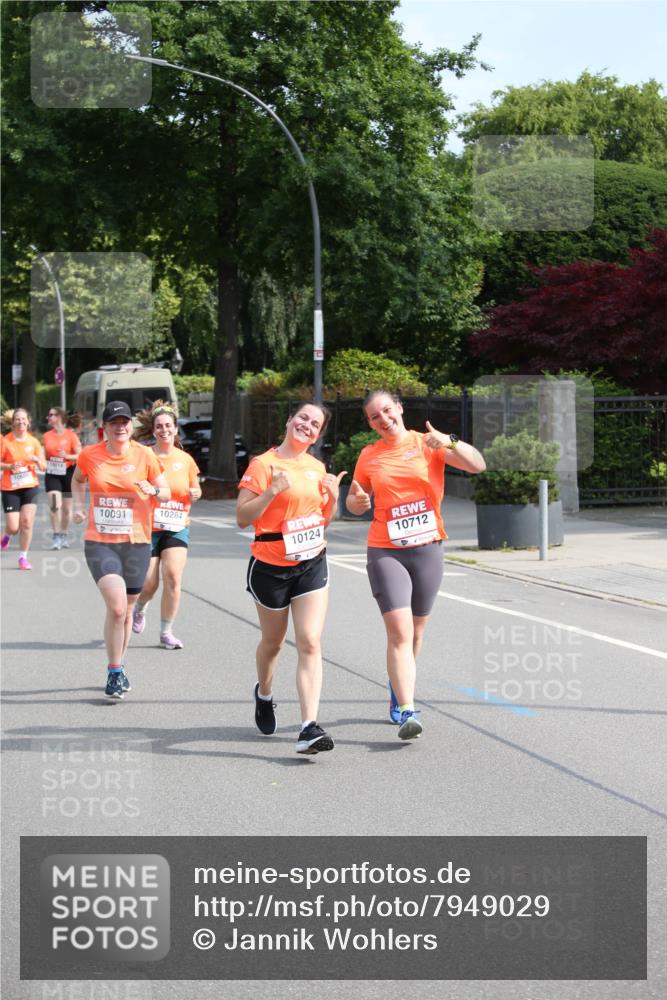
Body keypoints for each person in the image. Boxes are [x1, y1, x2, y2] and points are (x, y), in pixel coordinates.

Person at [346, 390, 486, 741]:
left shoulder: (428, 443)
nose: (383, 419)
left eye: (387, 410)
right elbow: (354, 499)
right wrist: (357, 502)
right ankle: (408, 709)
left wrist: (450, 441)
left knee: (417, 633)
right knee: (400, 631)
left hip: (427, 549)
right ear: (370, 423)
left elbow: (477, 465)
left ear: (399, 408)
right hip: (385, 550)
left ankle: (398, 688)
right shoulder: (369, 455)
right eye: (375, 416)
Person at [236, 402, 345, 755]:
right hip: (269, 566)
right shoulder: (263, 464)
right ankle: (264, 693)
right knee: (273, 642)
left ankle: (308, 726)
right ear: (289, 421)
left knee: (310, 641)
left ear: (318, 435)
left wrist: (334, 499)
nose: (307, 425)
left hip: (311, 562)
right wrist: (272, 491)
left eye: (315, 424)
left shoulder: (316, 467)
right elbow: (242, 517)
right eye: (303, 418)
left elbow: (321, 520)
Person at [71, 400, 170, 700]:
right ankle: (115, 670)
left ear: (130, 425)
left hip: (136, 542)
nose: (120, 427)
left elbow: (165, 492)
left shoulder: (145, 455)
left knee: (126, 611)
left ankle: (119, 666)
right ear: (105, 427)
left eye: (124, 422)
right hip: (100, 543)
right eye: (114, 422)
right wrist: (78, 506)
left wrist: (154, 490)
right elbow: (77, 480)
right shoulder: (90, 455)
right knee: (116, 607)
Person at [131, 401, 201, 650]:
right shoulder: (144, 457)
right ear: (153, 430)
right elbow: (132, 486)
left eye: (168, 425)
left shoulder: (185, 459)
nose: (164, 430)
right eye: (159, 426)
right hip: (148, 526)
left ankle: (166, 632)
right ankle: (140, 608)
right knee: (149, 583)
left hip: (176, 525)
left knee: (172, 577)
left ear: (175, 429)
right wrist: (147, 490)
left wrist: (196, 493)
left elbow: (195, 488)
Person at [1, 408, 47, 569]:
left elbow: (44, 466)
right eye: (17, 419)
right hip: (10, 487)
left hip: (30, 486)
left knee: (27, 522)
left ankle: (23, 557)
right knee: (14, 527)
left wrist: (37, 460)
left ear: (28, 422)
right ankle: (7, 534)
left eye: (23, 419)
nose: (21, 422)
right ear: (13, 423)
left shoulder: (34, 442)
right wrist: (9, 466)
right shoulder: (5, 441)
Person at [42, 407, 82, 550]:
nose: (48, 417)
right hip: (52, 473)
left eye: (51, 415)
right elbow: (43, 454)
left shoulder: (71, 435)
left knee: (66, 509)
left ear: (59, 417)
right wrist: (41, 462)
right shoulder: (47, 436)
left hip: (68, 473)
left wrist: (67, 456)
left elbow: (80, 455)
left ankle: (64, 534)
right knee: (54, 506)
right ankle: (56, 535)